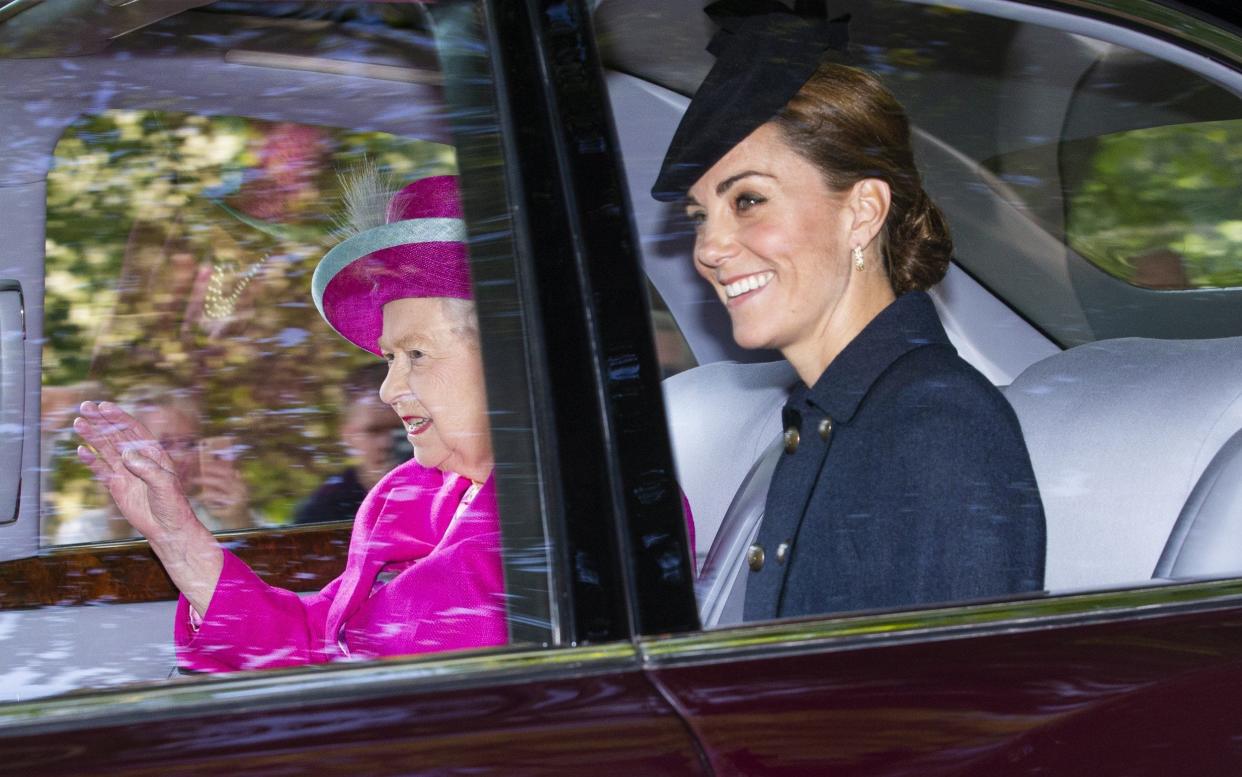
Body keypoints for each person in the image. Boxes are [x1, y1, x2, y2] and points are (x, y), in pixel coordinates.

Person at [651, 4, 1045, 621]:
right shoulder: (827, 412)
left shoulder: (938, 422)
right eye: (701, 217)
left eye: (748, 200)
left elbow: (950, 704)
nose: (708, 249)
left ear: (861, 212)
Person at [75, 175, 509, 671]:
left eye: (416, 353)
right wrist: (178, 539)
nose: (388, 390)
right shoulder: (409, 496)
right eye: (389, 357)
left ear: (510, 354)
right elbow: (312, 644)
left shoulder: (569, 511)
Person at [54, 386, 255, 544]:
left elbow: (266, 590)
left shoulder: (224, 516)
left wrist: (239, 522)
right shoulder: (84, 530)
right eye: (165, 444)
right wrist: (119, 527)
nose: (182, 456)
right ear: (125, 451)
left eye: (190, 444)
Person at [293, 362, 406, 525]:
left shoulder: (450, 489)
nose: (387, 443)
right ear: (348, 435)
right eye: (373, 430)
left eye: (401, 428)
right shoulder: (324, 510)